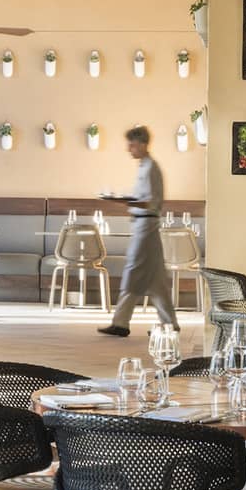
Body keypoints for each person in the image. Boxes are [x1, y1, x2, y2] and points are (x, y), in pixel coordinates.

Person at [97, 125, 179, 337]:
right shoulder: (144, 166)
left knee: (133, 272)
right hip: (144, 225)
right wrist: (130, 201)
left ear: (142, 144)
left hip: (146, 226)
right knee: (156, 280)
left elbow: (152, 203)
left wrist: (124, 200)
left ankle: (121, 323)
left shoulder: (151, 168)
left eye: (132, 145)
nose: (129, 150)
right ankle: (170, 324)